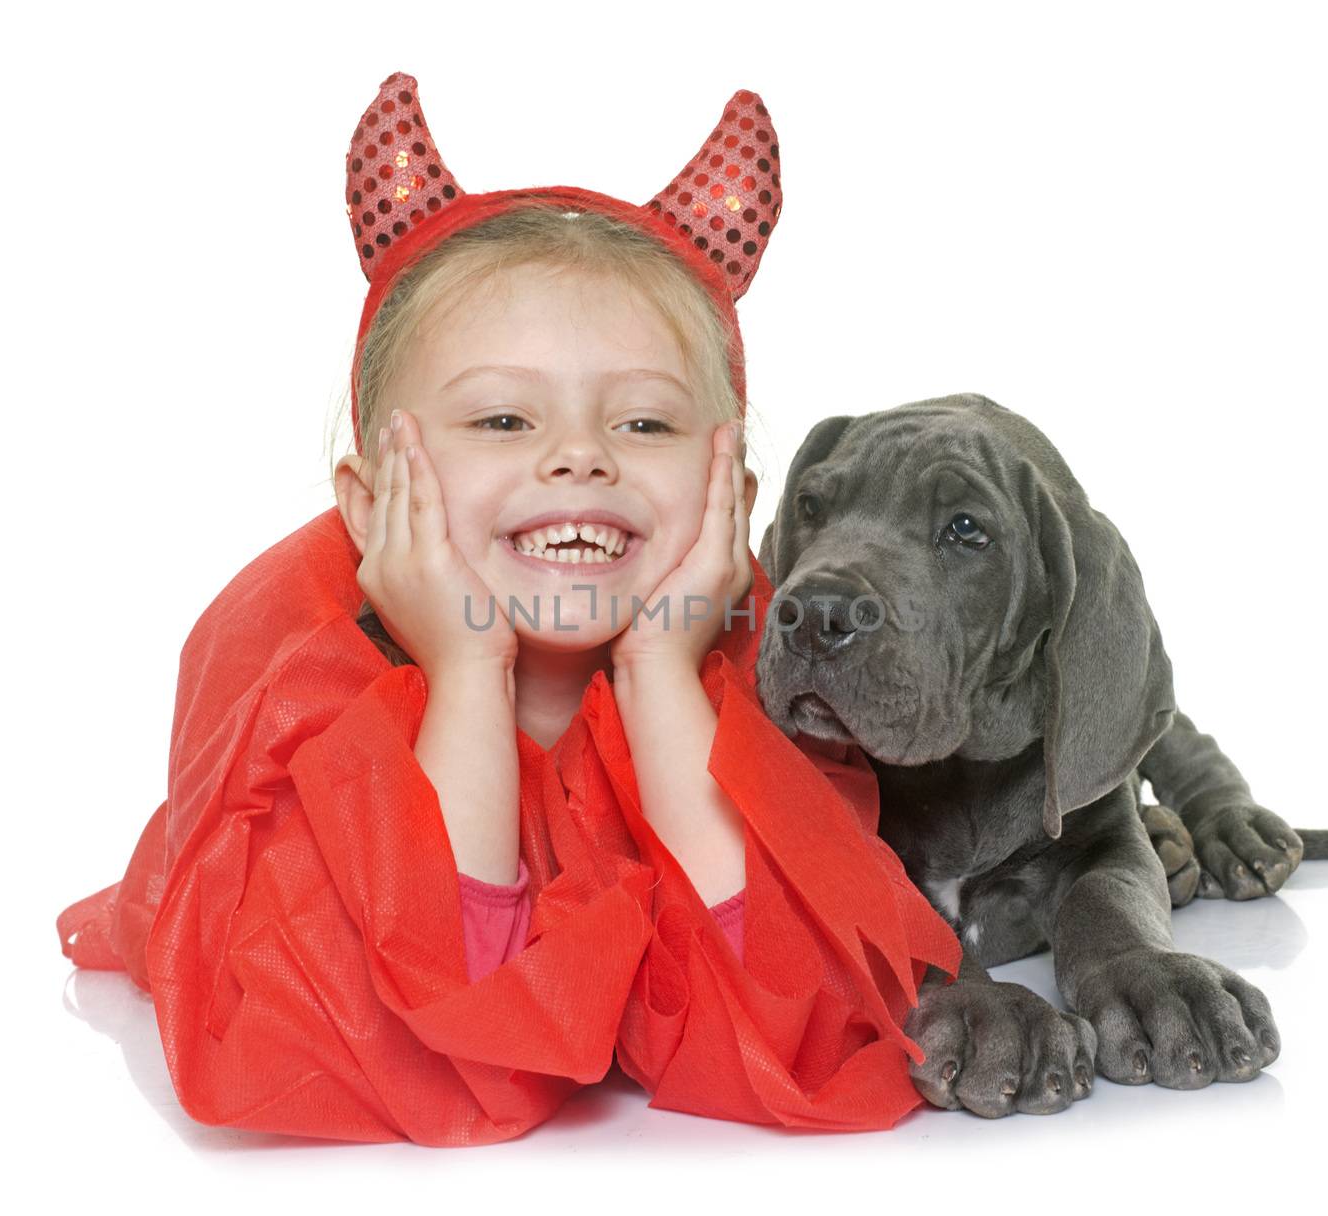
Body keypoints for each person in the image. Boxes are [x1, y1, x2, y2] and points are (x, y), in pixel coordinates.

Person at [56, 71, 962, 1147]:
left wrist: (667, 674)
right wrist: (469, 670)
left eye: (643, 425)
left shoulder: (745, 678)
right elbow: (444, 1037)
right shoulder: (312, 705)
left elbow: (799, 1018)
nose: (576, 453)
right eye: (500, 418)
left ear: (734, 499)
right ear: (367, 504)